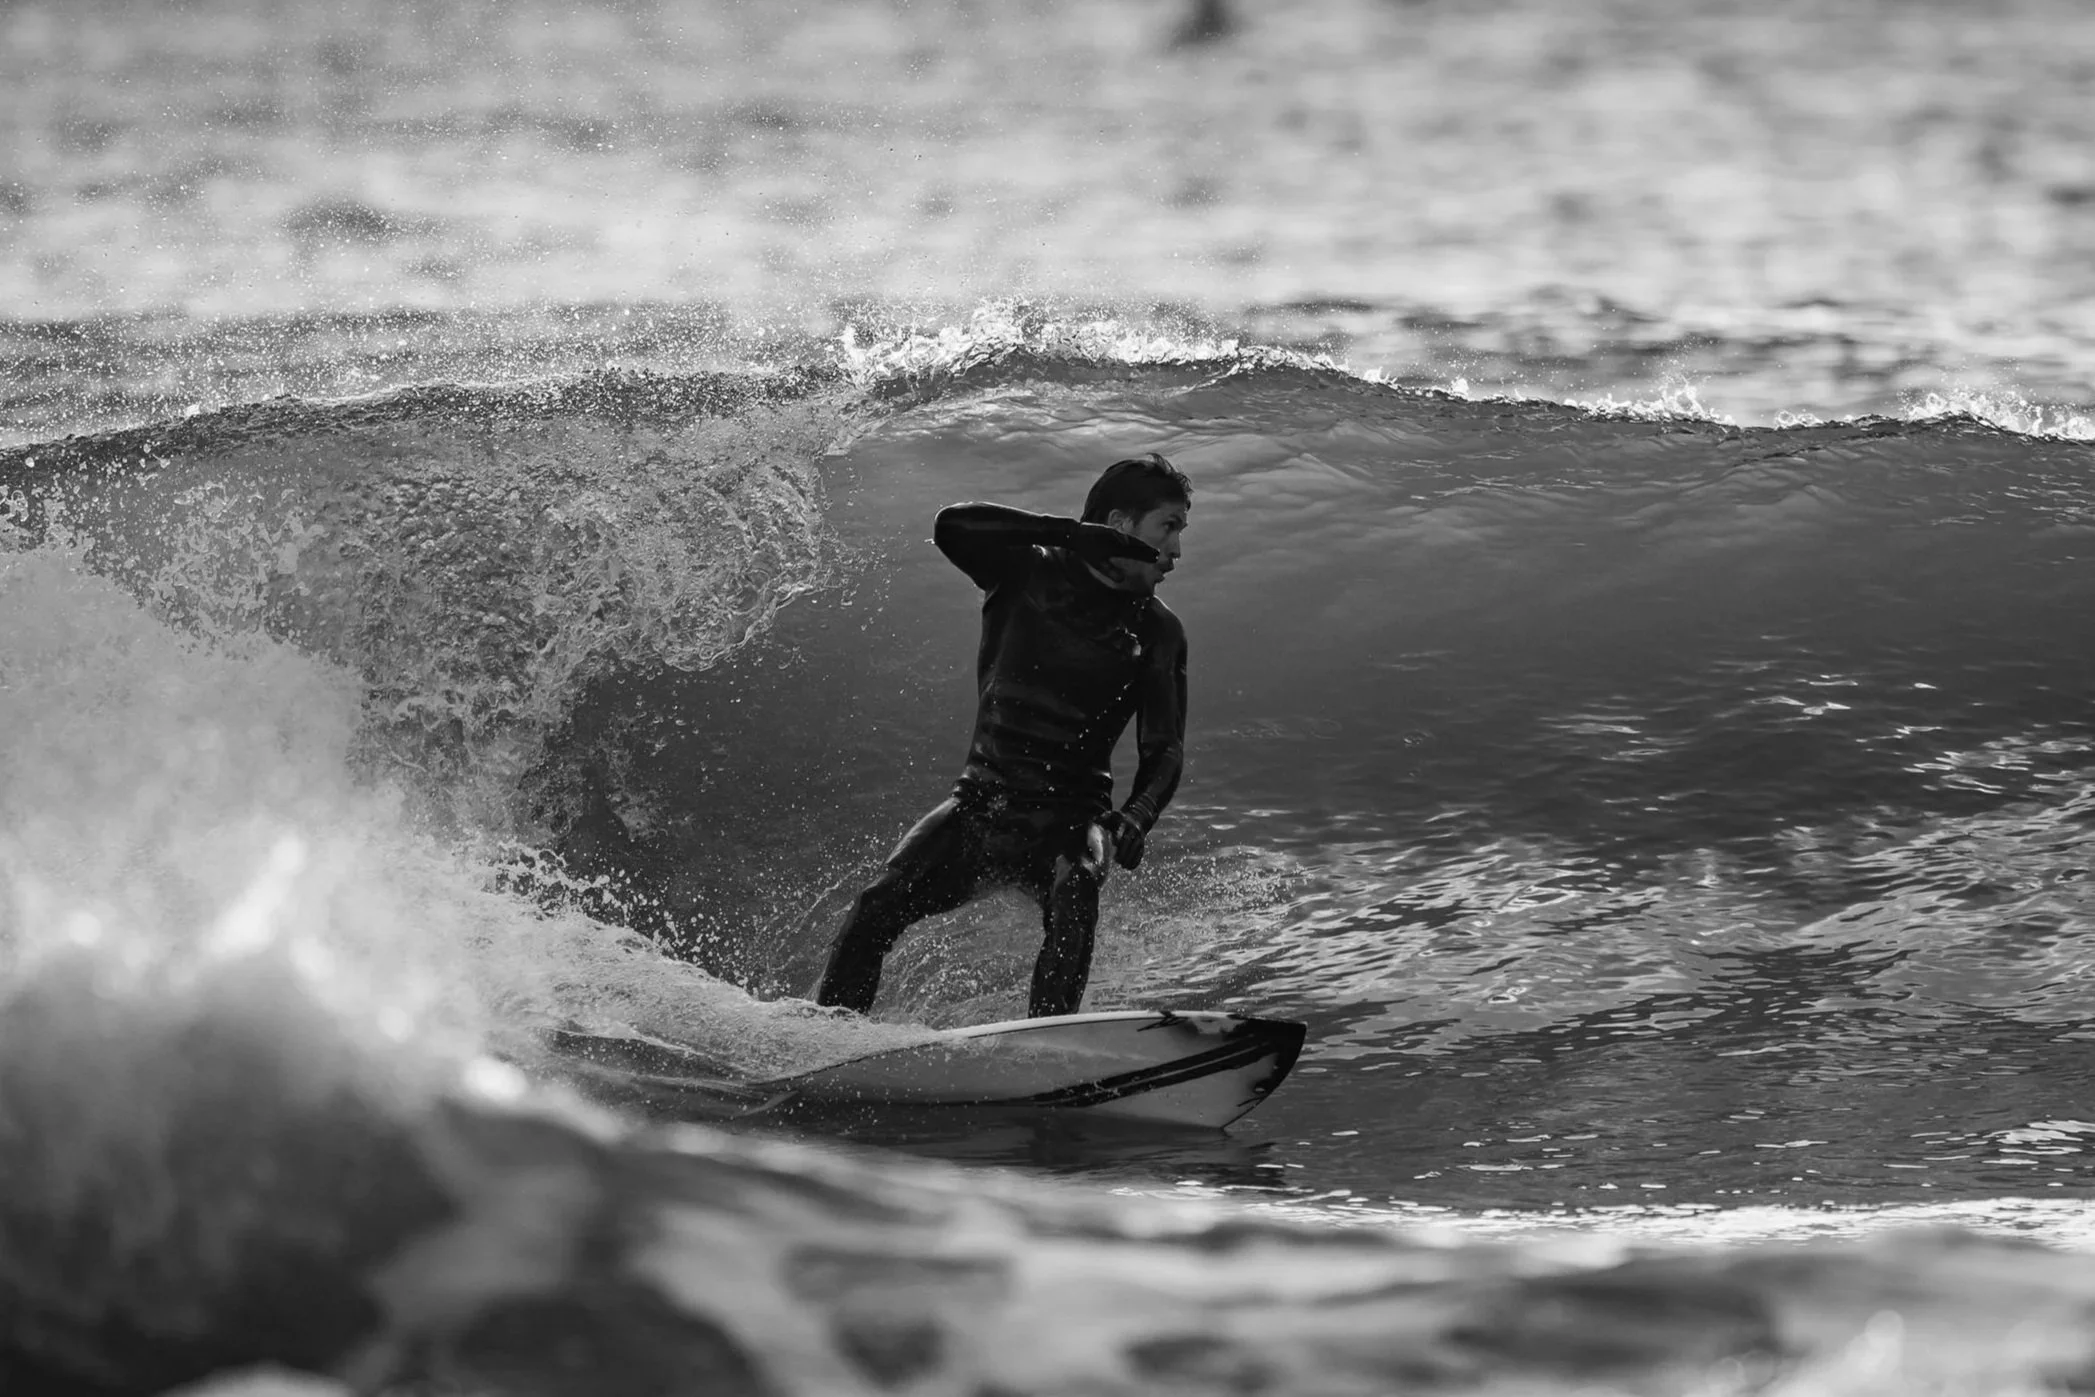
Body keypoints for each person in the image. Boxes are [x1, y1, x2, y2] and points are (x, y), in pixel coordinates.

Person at [814, 452, 1192, 1018]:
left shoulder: (1157, 630)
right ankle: (830, 1037)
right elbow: (951, 525)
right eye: (1168, 528)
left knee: (1079, 888)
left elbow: (1164, 749)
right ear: (1119, 527)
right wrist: (1069, 534)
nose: (1177, 551)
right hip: (982, 804)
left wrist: (1136, 815)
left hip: (1070, 818)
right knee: (875, 908)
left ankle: (1047, 1044)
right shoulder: (1026, 571)